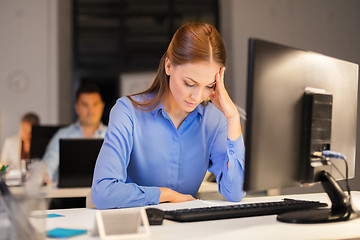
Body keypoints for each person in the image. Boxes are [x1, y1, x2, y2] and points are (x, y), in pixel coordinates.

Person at [91, 22, 246, 209]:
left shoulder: (215, 119)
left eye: (209, 86)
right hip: (137, 227)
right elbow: (103, 192)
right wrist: (165, 195)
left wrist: (233, 118)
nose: (197, 97)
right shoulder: (127, 112)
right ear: (169, 66)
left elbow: (235, 192)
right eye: (190, 83)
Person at [43, 84, 107, 185]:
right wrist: (44, 176)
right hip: (68, 198)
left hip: (104, 197)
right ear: (76, 107)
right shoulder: (63, 135)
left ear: (102, 107)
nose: (90, 111)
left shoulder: (112, 135)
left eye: (95, 104)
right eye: (85, 105)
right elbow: (47, 168)